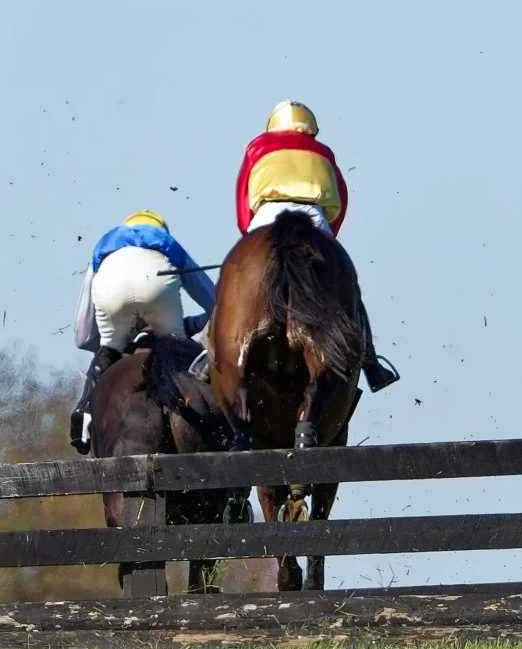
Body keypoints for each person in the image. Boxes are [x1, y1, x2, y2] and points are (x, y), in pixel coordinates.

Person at [235, 99, 399, 392]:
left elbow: (243, 196)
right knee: (349, 285)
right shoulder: (324, 152)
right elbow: (341, 202)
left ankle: (206, 352)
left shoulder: (257, 147)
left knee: (234, 280)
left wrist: (248, 236)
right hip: (313, 221)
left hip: (267, 217)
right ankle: (372, 364)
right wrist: (328, 243)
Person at [68, 211, 216, 454]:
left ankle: (82, 413)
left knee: (109, 348)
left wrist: (116, 345)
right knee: (177, 344)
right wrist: (188, 328)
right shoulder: (165, 241)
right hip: (157, 286)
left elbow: (82, 337)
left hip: (110, 287)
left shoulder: (105, 245)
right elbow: (214, 303)